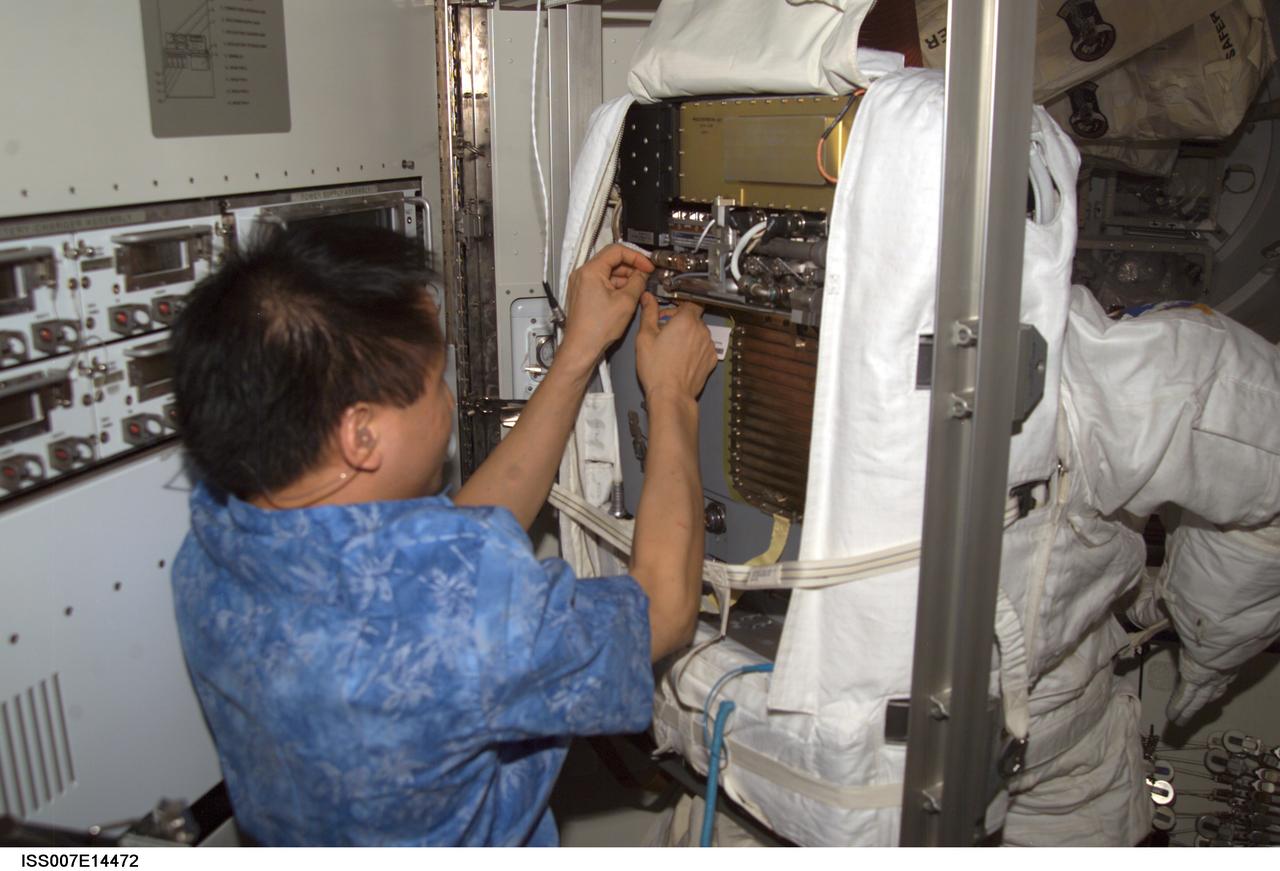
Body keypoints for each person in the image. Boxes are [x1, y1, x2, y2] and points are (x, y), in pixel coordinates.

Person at [169, 224, 718, 846]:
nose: (449, 403)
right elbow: (662, 610)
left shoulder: (217, 537)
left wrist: (578, 353)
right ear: (361, 435)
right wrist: (672, 394)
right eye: (435, 382)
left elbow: (438, 564)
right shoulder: (459, 614)